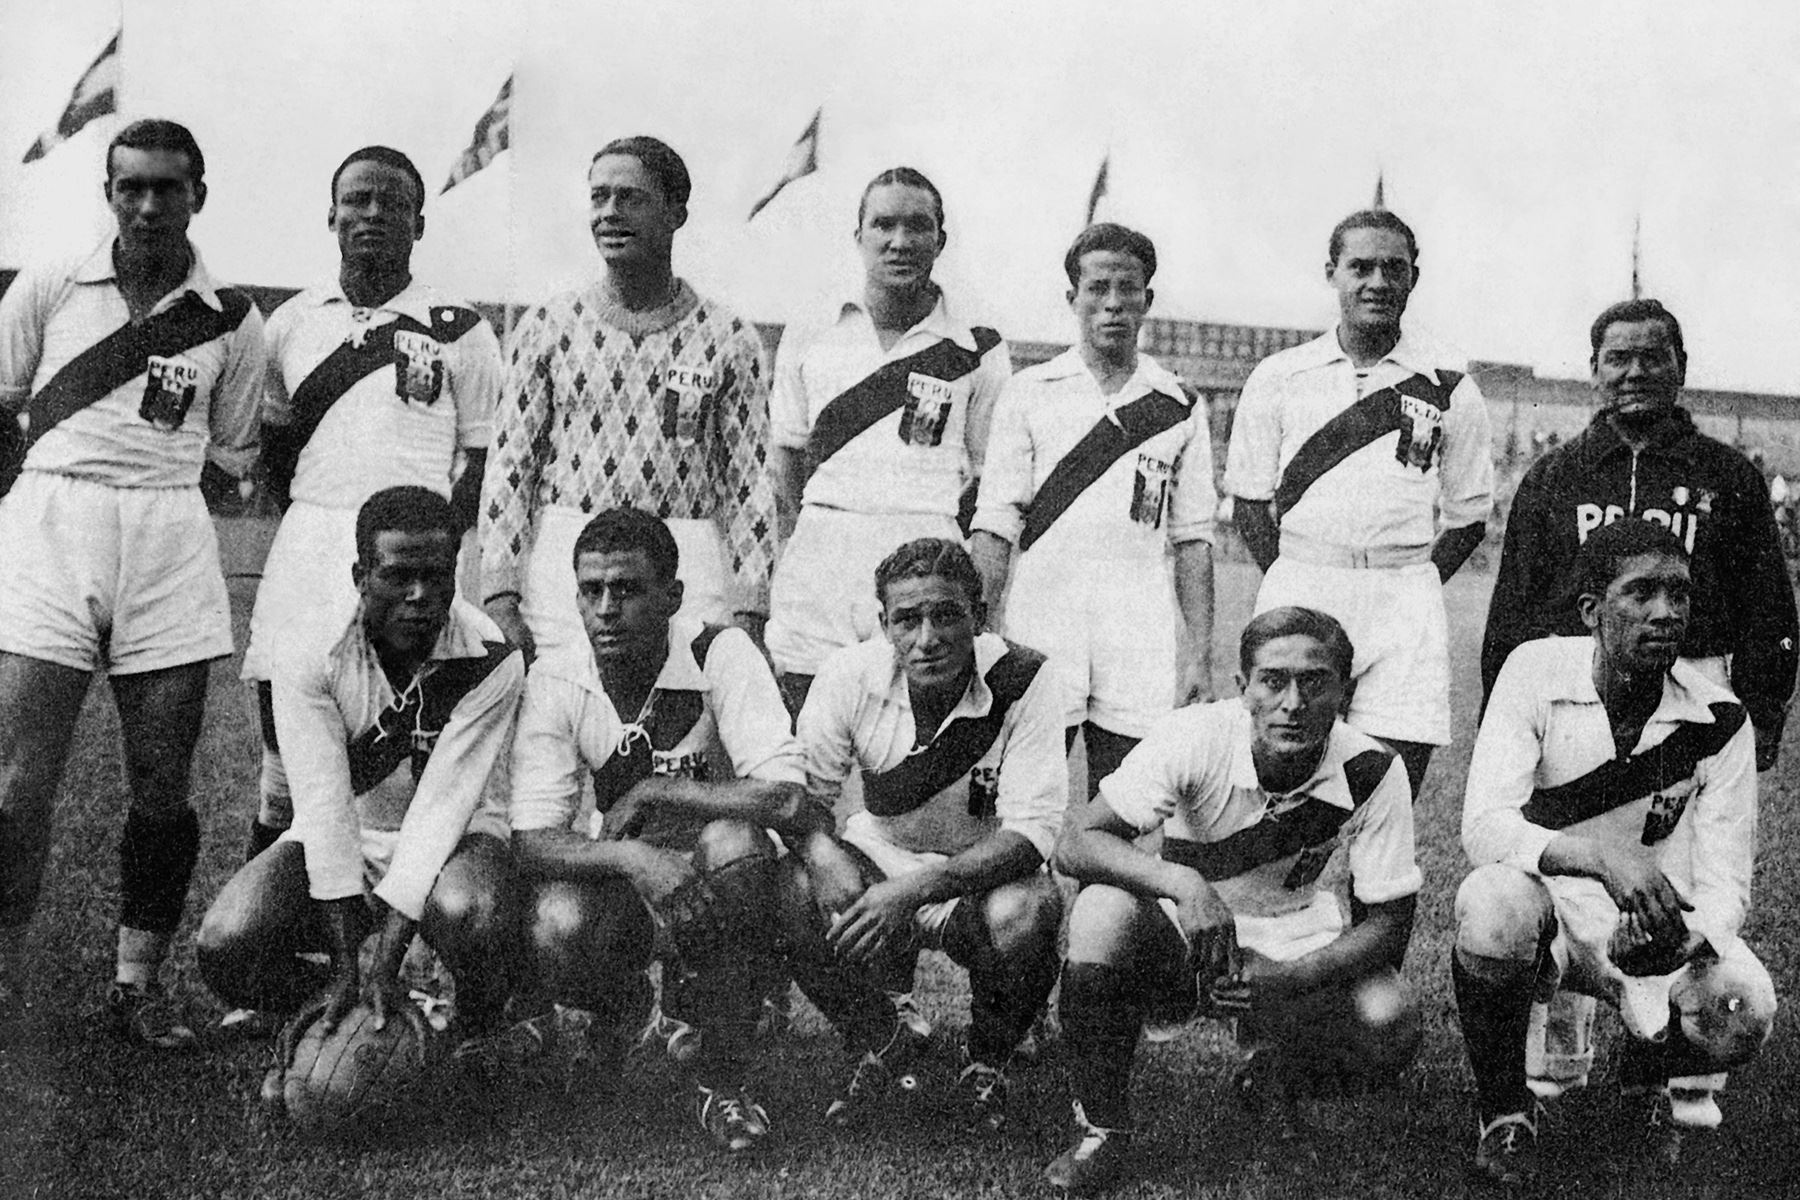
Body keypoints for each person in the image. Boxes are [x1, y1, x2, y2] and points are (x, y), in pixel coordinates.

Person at [0, 119, 266, 1045]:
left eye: (168, 187)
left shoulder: (233, 317)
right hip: (50, 522)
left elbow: (230, 446)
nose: (149, 205)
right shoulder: (49, 284)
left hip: (166, 533)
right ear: (109, 193)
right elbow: (4, 406)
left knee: (163, 787)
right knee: (16, 785)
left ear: (199, 192)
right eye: (131, 188)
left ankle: (136, 989)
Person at [1045, 607, 1421, 1195]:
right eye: (1273, 680)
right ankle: (1103, 1131)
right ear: (1243, 688)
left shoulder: (1373, 769)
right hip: (1182, 932)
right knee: (1100, 910)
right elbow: (1075, 842)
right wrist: (1184, 884)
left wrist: (1295, 976)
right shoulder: (1196, 735)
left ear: (1343, 692)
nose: (1293, 702)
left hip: (1293, 935)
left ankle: (1278, 1066)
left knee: (1389, 1020)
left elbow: (1391, 923)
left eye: (1314, 682)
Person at [1453, 519, 1775, 1187]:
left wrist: (1685, 943)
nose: (1667, 612)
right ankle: (1505, 1114)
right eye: (1642, 593)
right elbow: (1485, 826)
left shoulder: (1721, 718)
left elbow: (1727, 885)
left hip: (1654, 930)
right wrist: (1602, 860)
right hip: (1552, 918)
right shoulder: (1534, 669)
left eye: (1680, 594)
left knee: (1746, 1005)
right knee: (1490, 907)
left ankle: (1643, 1084)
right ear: (1592, 611)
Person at [507, 507, 825, 1155]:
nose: (606, 609)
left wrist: (658, 788)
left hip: (722, 879)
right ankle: (623, 1007)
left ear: (671, 597)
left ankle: (723, 1081)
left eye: (625, 590)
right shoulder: (558, 675)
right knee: (553, 922)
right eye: (591, 591)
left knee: (734, 848)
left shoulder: (720, 652)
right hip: (632, 885)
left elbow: (789, 798)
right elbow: (530, 840)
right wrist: (633, 857)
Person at [197, 487, 525, 1100]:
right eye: (398, 576)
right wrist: (350, 969)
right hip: (351, 829)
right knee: (227, 943)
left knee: (471, 910)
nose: (420, 596)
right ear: (360, 575)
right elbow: (321, 807)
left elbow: (444, 808)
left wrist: (387, 955)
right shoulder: (305, 646)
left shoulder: (493, 658)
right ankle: (338, 1014)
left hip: (458, 842)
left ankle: (473, 1031)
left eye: (437, 576)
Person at [240, 145, 500, 861]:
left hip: (411, 558)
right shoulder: (290, 324)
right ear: (331, 215)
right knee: (286, 747)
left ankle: (405, 930)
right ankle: (280, 933)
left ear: (420, 224)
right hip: (313, 540)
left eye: (394, 203)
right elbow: (276, 446)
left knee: (407, 745)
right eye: (358, 200)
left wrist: (438, 554)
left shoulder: (459, 330)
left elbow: (478, 460)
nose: (374, 214)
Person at [782, 538, 1066, 1133]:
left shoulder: (1027, 678)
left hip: (978, 870)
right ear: (883, 622)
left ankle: (986, 1059)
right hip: (882, 852)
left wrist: (911, 894)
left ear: (979, 617)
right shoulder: (848, 674)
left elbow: (1033, 832)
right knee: (792, 889)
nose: (928, 638)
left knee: (1031, 908)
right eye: (907, 619)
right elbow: (801, 799)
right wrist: (817, 849)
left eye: (946, 615)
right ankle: (882, 1043)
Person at [1224, 208, 1493, 799]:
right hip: (1302, 581)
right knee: (1279, 778)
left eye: (1392, 269)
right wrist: (1296, 574)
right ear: (1333, 273)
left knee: (1389, 788)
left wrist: (1412, 578)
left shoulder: (1449, 383)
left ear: (1413, 278)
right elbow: (1248, 502)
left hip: (1403, 597)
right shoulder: (1280, 375)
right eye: (1360, 267)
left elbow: (1469, 516)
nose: (1377, 282)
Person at [480, 136, 778, 667]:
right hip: (570, 563)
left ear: (675, 212)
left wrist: (750, 610)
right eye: (599, 198)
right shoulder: (549, 325)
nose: (610, 213)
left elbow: (750, 483)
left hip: (684, 559)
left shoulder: (729, 337)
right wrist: (501, 596)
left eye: (631, 198)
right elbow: (509, 468)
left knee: (682, 725)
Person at [1481, 298, 1796, 772]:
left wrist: (1764, 712)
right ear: (1594, 370)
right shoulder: (1554, 476)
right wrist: (1498, 713)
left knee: (1692, 839)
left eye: (1652, 357)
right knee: (1573, 840)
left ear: (1681, 367)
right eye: (1618, 359)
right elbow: (1513, 609)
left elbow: (1767, 607)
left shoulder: (1729, 475)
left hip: (1696, 680)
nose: (1635, 372)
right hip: (1574, 685)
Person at [972, 222, 1215, 797]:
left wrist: (1200, 654)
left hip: (1137, 625)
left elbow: (1194, 540)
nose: (1112, 304)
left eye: (1127, 289)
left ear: (1147, 300)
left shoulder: (1177, 404)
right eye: (1097, 288)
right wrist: (981, 634)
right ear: (1072, 299)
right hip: (1043, 614)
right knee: (1028, 795)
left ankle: (1108, 891)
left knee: (1125, 800)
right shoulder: (1030, 392)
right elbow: (994, 524)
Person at [766, 167, 1011, 713]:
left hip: (924, 564)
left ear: (940, 241)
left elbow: (990, 480)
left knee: (910, 756)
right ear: (859, 237)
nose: (899, 242)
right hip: (821, 564)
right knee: (799, 755)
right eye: (883, 225)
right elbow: (786, 460)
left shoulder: (978, 346)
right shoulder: (811, 329)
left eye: (917, 226)